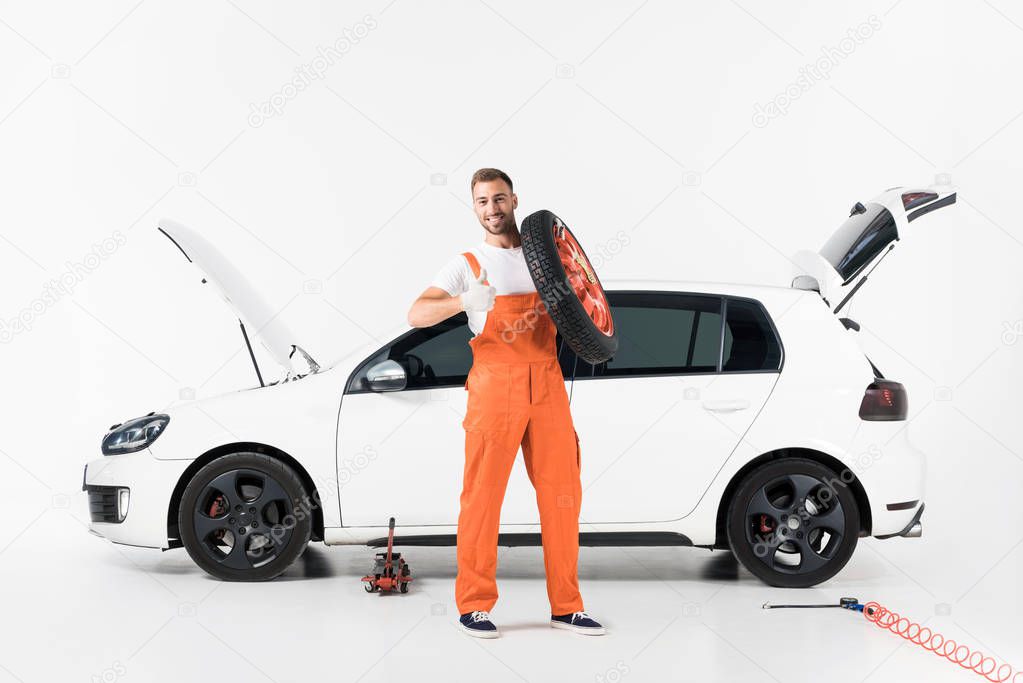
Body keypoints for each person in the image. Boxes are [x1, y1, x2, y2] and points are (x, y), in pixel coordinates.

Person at [407, 168, 604, 638]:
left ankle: (567, 605)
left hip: (548, 384)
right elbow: (416, 313)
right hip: (495, 386)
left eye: (499, 199)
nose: (492, 209)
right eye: (482, 202)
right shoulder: (467, 263)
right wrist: (462, 301)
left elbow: (588, 304)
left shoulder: (549, 259)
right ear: (473, 208)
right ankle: (474, 605)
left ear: (515, 200)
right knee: (482, 499)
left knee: (563, 496)